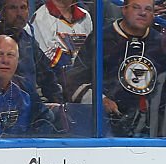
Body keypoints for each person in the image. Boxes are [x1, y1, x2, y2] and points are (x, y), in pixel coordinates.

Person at [65, 0, 166, 138]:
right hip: (105, 128)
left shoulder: (160, 43)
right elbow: (73, 81)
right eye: (136, 7)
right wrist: (100, 100)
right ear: (124, 9)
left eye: (148, 9)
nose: (142, 13)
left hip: (152, 130)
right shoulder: (101, 38)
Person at [0, 33, 61, 136]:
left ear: (17, 60)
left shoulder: (25, 87)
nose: (5, 60)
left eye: (10, 55)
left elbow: (44, 119)